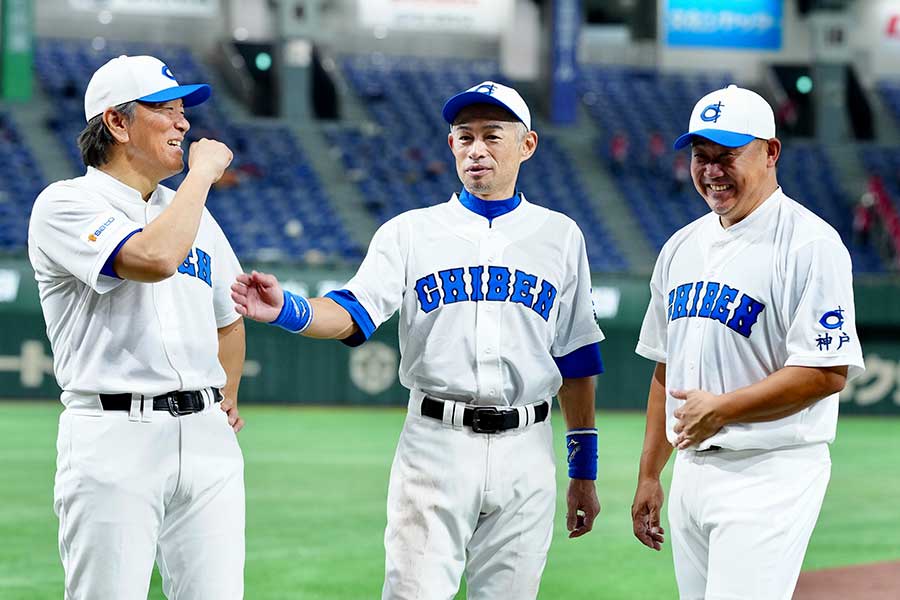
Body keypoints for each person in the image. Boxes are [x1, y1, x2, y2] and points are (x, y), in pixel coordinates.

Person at [232, 81, 605, 599]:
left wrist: (582, 471)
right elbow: (352, 311)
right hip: (436, 444)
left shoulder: (562, 236)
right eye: (464, 136)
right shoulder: (410, 232)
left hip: (528, 449)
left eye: (492, 135)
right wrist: (288, 310)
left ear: (527, 145)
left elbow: (577, 356)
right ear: (451, 146)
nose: (476, 149)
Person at [630, 84, 865, 600]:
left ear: (771, 152)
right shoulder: (680, 248)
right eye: (701, 156)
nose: (712, 170)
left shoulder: (811, 244)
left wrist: (725, 409)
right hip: (693, 469)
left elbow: (826, 371)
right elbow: (666, 368)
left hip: (769, 470)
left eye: (727, 155)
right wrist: (650, 474)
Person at [28, 55, 246, 599]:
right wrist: (200, 176)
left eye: (183, 112)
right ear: (117, 123)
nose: (184, 124)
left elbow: (229, 317)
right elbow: (152, 258)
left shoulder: (192, 211)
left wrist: (228, 396)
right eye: (166, 110)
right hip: (114, 435)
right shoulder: (65, 203)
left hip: (205, 439)